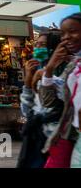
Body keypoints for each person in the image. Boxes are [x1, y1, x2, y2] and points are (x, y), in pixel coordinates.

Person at [17, 30, 65, 168]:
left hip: (57, 140)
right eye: (36, 44)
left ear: (54, 47)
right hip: (37, 139)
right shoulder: (38, 72)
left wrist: (48, 76)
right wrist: (28, 80)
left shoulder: (67, 71)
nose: (37, 48)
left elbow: (53, 104)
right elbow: (27, 112)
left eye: (42, 45)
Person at [40, 13, 81, 168]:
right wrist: (50, 68)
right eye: (63, 34)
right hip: (71, 137)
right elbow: (49, 101)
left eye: (72, 31)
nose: (66, 38)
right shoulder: (73, 67)